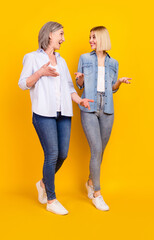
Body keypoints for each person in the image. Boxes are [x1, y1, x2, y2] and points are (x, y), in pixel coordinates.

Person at [18, 21, 93, 215]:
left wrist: (80, 101)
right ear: (50, 34)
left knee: (62, 154)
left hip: (63, 113)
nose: (63, 38)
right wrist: (41, 72)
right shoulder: (32, 58)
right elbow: (23, 84)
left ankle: (43, 183)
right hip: (43, 114)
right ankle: (51, 199)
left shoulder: (61, 60)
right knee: (51, 154)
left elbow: (69, 87)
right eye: (61, 34)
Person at [75, 26, 132, 211]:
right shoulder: (84, 58)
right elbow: (79, 84)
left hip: (107, 109)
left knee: (101, 151)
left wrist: (120, 82)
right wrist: (81, 78)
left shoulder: (113, 63)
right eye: (90, 37)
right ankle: (97, 194)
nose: (91, 40)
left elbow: (113, 88)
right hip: (90, 108)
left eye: (94, 37)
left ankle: (90, 182)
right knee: (96, 148)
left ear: (102, 38)